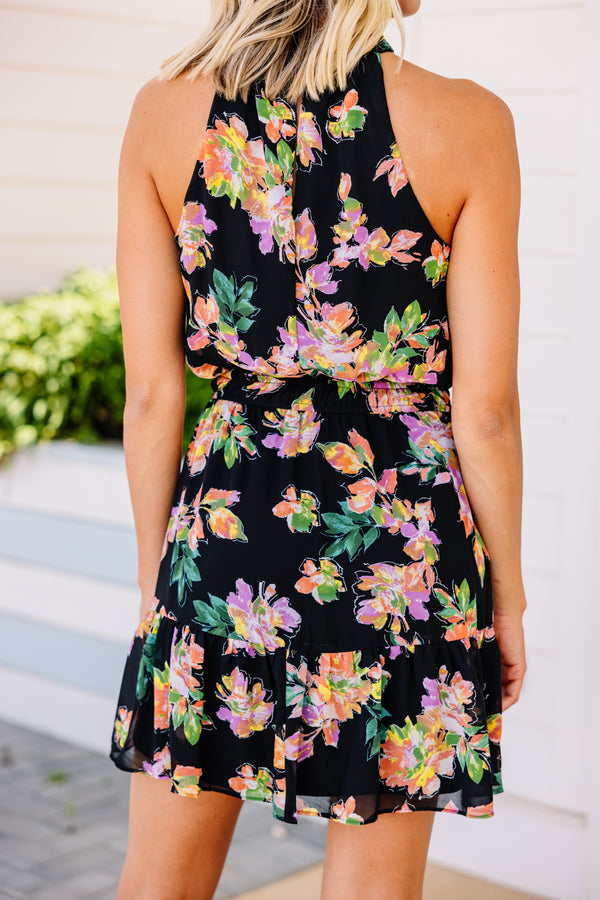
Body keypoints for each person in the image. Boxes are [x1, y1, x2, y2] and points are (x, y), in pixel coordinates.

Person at [109, 1, 527, 897]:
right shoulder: (470, 121)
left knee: (159, 883)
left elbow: (152, 399)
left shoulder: (162, 111)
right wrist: (510, 599)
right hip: (402, 553)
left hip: (225, 535)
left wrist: (160, 591)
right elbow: (484, 409)